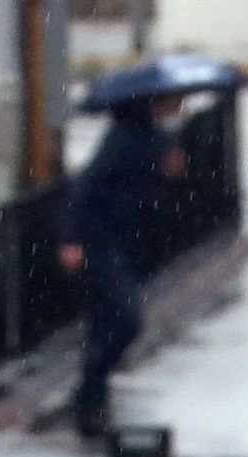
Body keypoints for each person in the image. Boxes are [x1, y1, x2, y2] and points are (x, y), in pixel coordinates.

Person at [58, 97, 182, 438]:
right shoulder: (126, 140)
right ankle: (89, 387)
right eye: (176, 100)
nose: (180, 105)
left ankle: (92, 401)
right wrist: (71, 240)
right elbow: (86, 189)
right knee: (128, 320)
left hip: (126, 245)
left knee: (105, 321)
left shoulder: (154, 137)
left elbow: (151, 194)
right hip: (101, 244)